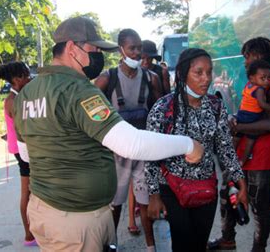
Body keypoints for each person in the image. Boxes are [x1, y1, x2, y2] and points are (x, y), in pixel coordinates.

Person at [12, 16, 205, 252]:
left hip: (45, 210)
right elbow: (131, 143)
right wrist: (188, 145)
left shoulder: (27, 93)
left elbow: (27, 155)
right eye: (93, 49)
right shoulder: (77, 89)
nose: (98, 57)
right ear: (72, 48)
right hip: (75, 221)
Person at [145, 48, 248, 252]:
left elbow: (226, 149)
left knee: (199, 245)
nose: (206, 79)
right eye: (198, 72)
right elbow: (150, 155)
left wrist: (241, 184)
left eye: (209, 72)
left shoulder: (216, 106)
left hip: (205, 189)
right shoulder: (163, 108)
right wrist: (154, 195)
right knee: (183, 246)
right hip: (173, 190)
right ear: (183, 74)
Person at [208, 37, 270, 252]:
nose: (244, 61)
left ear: (259, 57)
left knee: (259, 207)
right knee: (227, 194)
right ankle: (227, 239)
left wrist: (239, 127)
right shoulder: (254, 80)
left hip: (262, 156)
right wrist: (234, 118)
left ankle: (258, 249)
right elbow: (248, 111)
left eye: (247, 57)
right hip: (242, 150)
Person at [95, 28, 162, 251]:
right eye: (132, 48)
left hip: (143, 151)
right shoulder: (107, 78)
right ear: (121, 50)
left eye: (139, 48)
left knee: (144, 202)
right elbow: (91, 115)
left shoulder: (151, 79)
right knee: (115, 204)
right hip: (117, 153)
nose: (137, 53)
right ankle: (112, 244)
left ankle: (151, 246)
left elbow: (160, 112)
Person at [0, 62, 36, 247]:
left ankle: (33, 231)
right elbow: (24, 127)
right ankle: (29, 235)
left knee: (32, 191)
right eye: (26, 75)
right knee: (26, 192)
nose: (29, 78)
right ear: (16, 79)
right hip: (23, 151)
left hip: (23, 148)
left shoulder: (19, 96)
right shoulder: (12, 100)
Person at [233, 59, 270, 165]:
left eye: (268, 78)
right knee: (251, 139)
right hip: (252, 117)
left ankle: (230, 158)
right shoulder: (260, 90)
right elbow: (262, 105)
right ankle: (243, 160)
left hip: (242, 114)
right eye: (263, 78)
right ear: (252, 78)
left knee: (236, 138)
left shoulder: (248, 86)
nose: (267, 81)